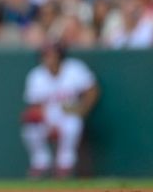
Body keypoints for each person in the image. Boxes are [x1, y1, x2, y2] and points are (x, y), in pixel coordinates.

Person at [20, 42, 99, 178]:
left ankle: (65, 165)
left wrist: (83, 109)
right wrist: (46, 121)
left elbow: (92, 90)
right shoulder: (36, 75)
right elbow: (35, 105)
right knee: (30, 128)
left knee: (73, 124)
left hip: (69, 112)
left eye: (51, 55)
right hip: (48, 115)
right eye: (45, 55)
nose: (48, 58)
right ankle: (41, 163)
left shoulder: (74, 69)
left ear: (60, 56)